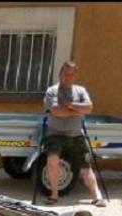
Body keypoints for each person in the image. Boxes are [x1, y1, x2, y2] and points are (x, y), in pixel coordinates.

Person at [41, 62, 106, 207]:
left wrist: (69, 105)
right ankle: (54, 195)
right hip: (55, 134)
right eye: (65, 74)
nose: (67, 77)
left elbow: (89, 108)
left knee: (85, 165)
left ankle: (97, 197)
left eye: (71, 74)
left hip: (76, 134)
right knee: (52, 160)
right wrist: (77, 111)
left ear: (74, 76)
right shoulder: (52, 91)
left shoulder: (80, 91)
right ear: (60, 74)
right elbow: (56, 111)